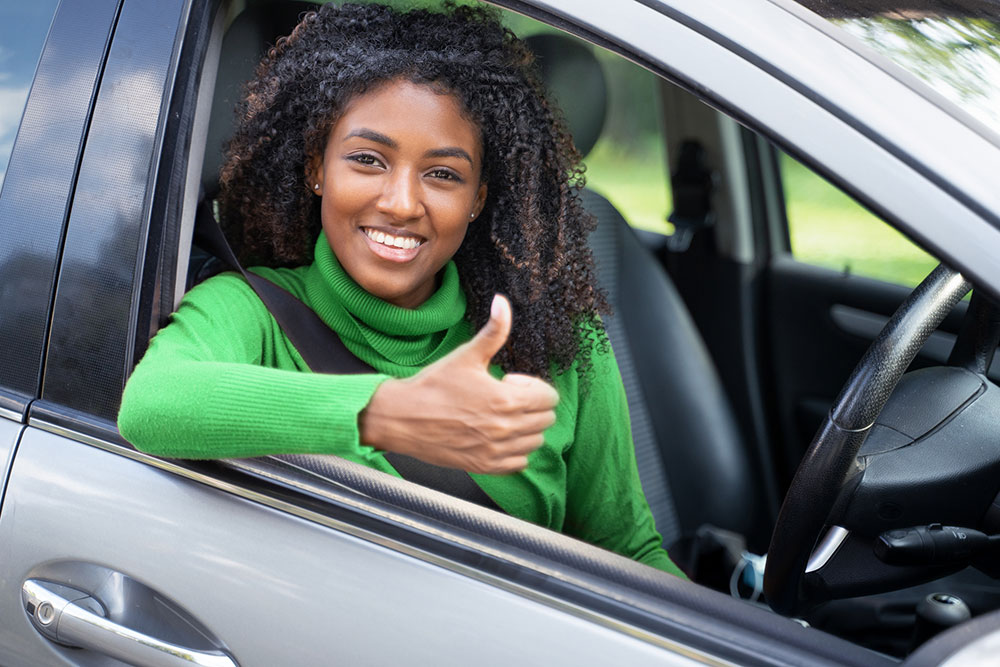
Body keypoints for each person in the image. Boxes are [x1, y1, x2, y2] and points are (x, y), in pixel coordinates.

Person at [117, 1, 684, 578]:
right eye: (367, 160)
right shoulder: (249, 310)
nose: (401, 204)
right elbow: (152, 404)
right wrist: (387, 414)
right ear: (317, 168)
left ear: (478, 200)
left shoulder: (558, 344)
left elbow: (628, 549)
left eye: (443, 174)